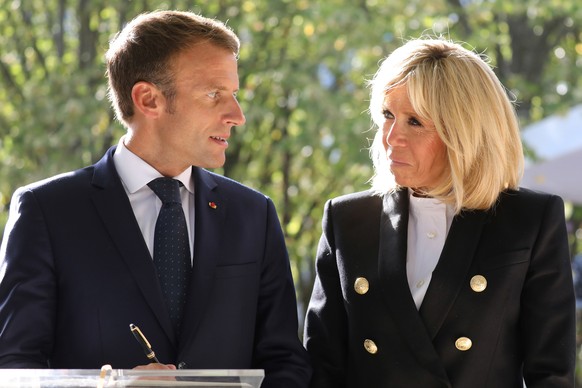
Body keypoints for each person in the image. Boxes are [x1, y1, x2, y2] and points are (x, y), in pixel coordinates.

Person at [0, 10, 311, 387]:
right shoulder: (47, 211)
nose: (237, 115)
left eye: (234, 95)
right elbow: (14, 369)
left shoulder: (253, 213)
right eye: (214, 94)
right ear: (148, 99)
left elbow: (286, 365)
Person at [303, 37, 575, 387]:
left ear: (465, 133)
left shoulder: (530, 220)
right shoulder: (347, 219)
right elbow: (322, 367)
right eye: (387, 115)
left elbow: (551, 374)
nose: (390, 138)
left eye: (414, 122)